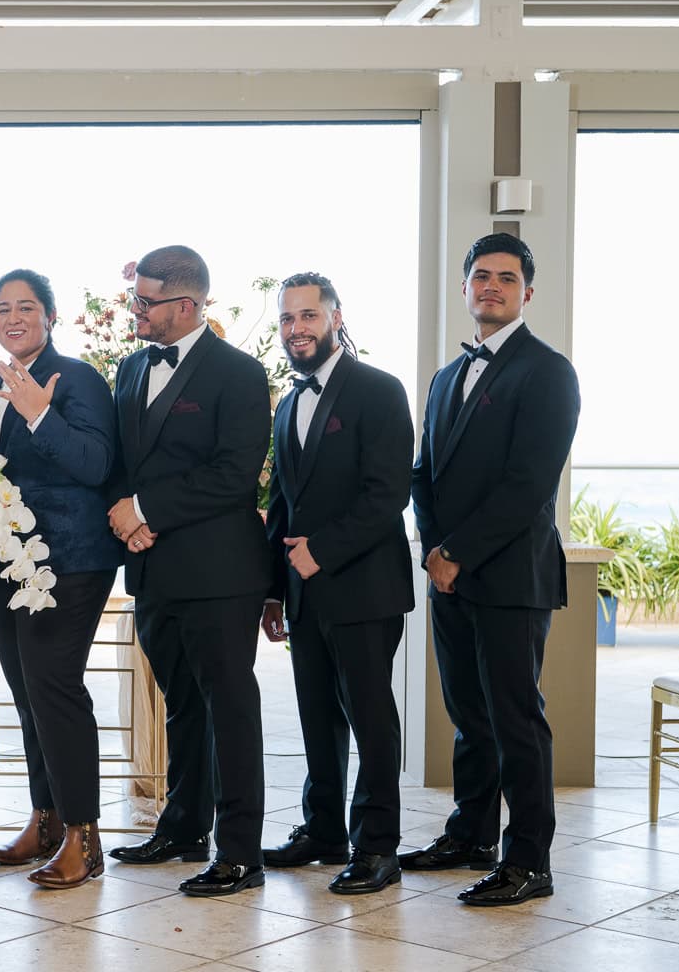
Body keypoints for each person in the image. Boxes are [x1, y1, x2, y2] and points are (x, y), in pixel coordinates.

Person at [406, 233, 580, 906]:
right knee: (468, 715)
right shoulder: (447, 377)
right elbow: (423, 474)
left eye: (506, 278)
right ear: (465, 288)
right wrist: (431, 548)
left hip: (511, 576)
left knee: (515, 720)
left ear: (526, 294)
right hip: (448, 574)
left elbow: (528, 483)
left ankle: (529, 860)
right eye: (481, 276)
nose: (492, 286)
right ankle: (470, 835)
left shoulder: (549, 371)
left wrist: (456, 552)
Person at [105, 244, 271, 897]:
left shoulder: (238, 374)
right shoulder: (127, 370)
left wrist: (145, 508)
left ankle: (240, 851)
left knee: (230, 707)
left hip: (220, 573)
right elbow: (121, 461)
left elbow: (233, 476)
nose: (134, 310)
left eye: (145, 301)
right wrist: (125, 516)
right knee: (181, 706)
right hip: (151, 570)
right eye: (134, 298)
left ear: (185, 304)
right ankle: (182, 828)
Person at [258, 273, 414, 895]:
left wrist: (319, 552)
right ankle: (324, 831)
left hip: (364, 587)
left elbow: (387, 495)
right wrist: (275, 588)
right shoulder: (289, 402)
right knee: (317, 716)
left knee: (372, 719)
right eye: (287, 319)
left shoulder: (378, 391)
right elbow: (283, 504)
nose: (297, 328)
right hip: (304, 593)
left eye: (307, 316)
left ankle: (378, 846)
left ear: (335, 318)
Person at [0, 268, 121, 889]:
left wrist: (41, 416)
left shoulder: (79, 378)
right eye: (3, 308)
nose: (15, 317)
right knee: (26, 691)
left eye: (27, 307)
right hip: (9, 561)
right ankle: (45, 819)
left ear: (50, 316)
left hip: (69, 563)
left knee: (56, 688)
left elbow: (96, 463)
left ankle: (83, 838)